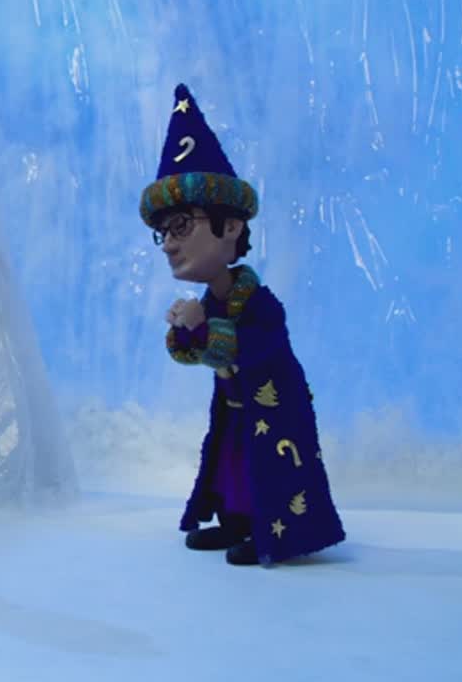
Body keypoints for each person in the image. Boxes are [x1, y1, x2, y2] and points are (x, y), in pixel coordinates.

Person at [141, 83, 346, 566]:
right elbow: (192, 355)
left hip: (274, 412)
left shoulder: (261, 304)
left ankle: (273, 531)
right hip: (235, 411)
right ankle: (236, 521)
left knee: (268, 467)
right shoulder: (210, 301)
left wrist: (203, 328)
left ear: (230, 227)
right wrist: (185, 330)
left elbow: (247, 351)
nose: (169, 243)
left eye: (182, 226)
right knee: (231, 464)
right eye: (164, 232)